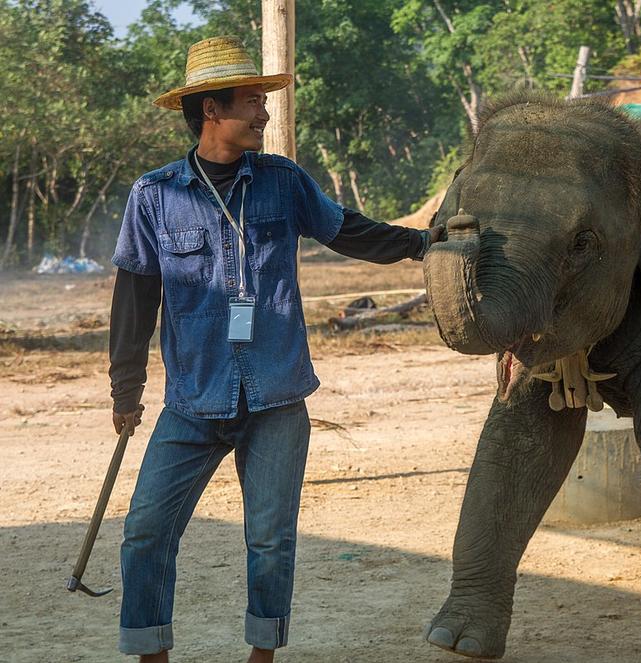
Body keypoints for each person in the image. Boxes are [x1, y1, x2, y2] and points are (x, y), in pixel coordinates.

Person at [109, 36, 443, 662]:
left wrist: (425, 243)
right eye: (253, 101)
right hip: (193, 400)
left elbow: (349, 232)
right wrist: (124, 391)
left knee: (269, 541)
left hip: (278, 396)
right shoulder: (154, 195)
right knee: (146, 533)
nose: (265, 113)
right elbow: (133, 300)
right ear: (211, 110)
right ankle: (152, 654)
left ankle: (263, 656)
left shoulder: (283, 181)